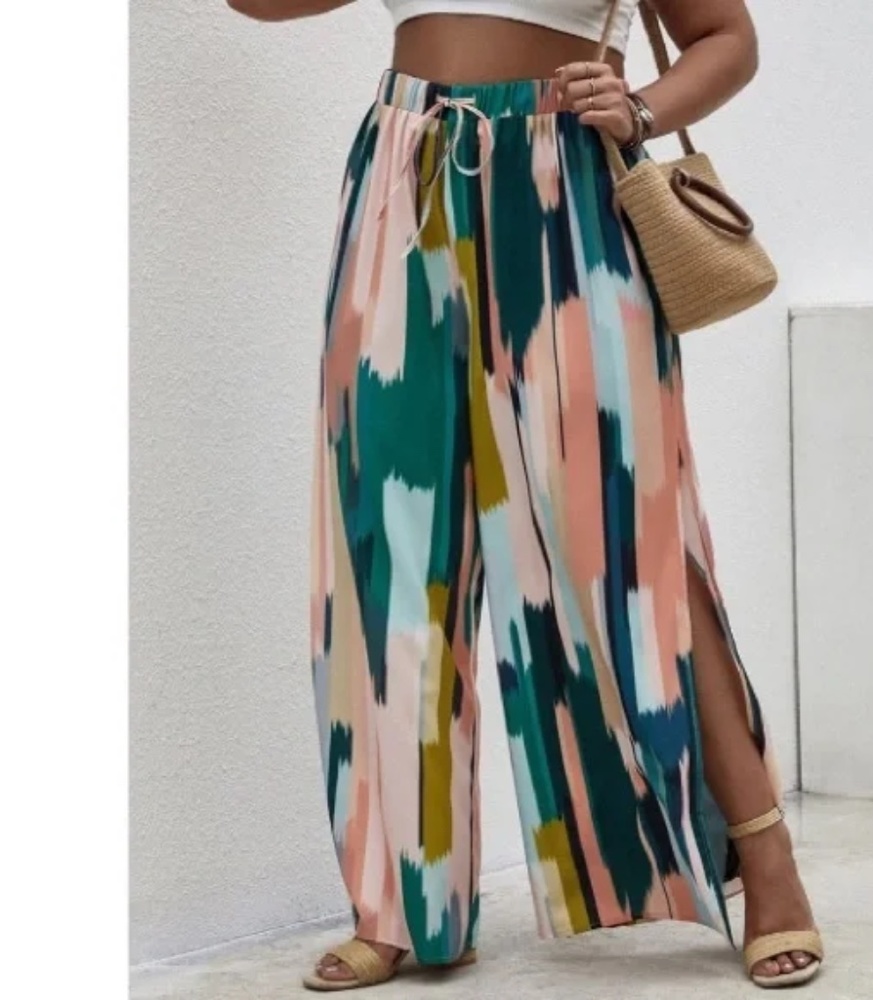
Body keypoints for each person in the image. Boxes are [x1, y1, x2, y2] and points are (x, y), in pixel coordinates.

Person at [227, 0, 824, 991]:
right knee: (392, 541)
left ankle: (765, 861)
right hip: (402, 181)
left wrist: (641, 107)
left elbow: (729, 39)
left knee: (631, 543)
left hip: (568, 193)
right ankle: (405, 904)